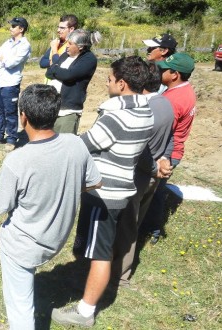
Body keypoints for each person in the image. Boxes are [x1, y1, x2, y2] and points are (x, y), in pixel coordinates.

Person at [52, 56, 154, 327]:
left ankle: (85, 311)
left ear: (122, 84)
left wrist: (56, 142)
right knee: (99, 246)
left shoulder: (117, 116)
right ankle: (87, 286)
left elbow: (85, 143)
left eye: (109, 78)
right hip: (120, 190)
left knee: (100, 253)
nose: (106, 82)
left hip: (104, 194)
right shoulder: (145, 111)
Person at [0, 84, 101, 330]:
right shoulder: (75, 143)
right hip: (56, 238)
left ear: (23, 117)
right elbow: (96, 181)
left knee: (20, 305)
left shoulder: (17, 160)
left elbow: (0, 206)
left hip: (24, 243)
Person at [112, 62, 174, 287]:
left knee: (127, 225)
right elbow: (171, 137)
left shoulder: (144, 109)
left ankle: (120, 274)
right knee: (134, 223)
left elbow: (141, 148)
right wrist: (165, 159)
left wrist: (155, 167)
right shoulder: (165, 104)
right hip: (152, 177)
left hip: (138, 174)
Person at [140, 53, 197, 244]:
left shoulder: (174, 99)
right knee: (155, 191)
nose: (160, 71)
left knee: (154, 192)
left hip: (167, 152)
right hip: (174, 149)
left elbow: (164, 130)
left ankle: (152, 229)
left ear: (175, 75)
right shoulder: (185, 89)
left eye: (164, 70)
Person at [0, 17, 30, 151]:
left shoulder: (24, 45)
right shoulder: (7, 43)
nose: (11, 28)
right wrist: (4, 60)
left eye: (14, 26)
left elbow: (12, 63)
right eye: (11, 25)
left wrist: (4, 60)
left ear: (21, 29)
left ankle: (11, 139)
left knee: (10, 111)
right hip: (0, 80)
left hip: (11, 83)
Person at [45, 29, 101, 134]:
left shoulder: (89, 59)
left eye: (70, 44)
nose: (67, 46)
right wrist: (58, 70)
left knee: (64, 146)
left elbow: (68, 75)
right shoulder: (66, 54)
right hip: (52, 108)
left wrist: (56, 68)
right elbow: (48, 73)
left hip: (68, 111)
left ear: (80, 46)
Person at [39, 14, 78, 82]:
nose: (58, 30)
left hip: (61, 84)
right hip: (49, 84)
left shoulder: (74, 46)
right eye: (58, 27)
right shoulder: (57, 42)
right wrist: (52, 61)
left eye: (62, 28)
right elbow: (42, 63)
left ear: (71, 29)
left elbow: (59, 64)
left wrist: (54, 50)